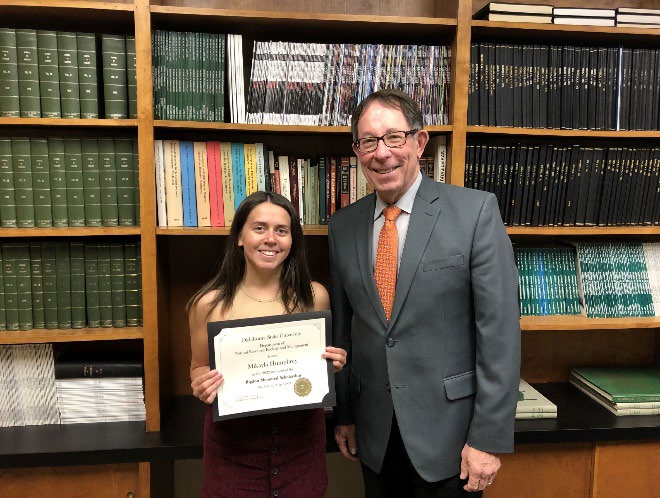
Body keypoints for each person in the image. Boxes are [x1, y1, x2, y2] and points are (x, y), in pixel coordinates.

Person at [329, 89, 521, 497]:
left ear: (419, 142)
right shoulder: (342, 226)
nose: (382, 153)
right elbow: (345, 331)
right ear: (357, 151)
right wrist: (344, 412)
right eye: (368, 141)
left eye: (394, 137)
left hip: (451, 437)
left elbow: (499, 336)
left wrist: (487, 438)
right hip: (374, 433)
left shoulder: (475, 213)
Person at [188, 191, 347, 498]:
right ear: (240, 237)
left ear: (292, 241)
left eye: (281, 230)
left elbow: (318, 368)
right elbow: (197, 367)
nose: (270, 239)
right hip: (233, 449)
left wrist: (333, 363)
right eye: (259, 228)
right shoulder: (208, 305)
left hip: (300, 446)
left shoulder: (315, 297)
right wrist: (201, 385)